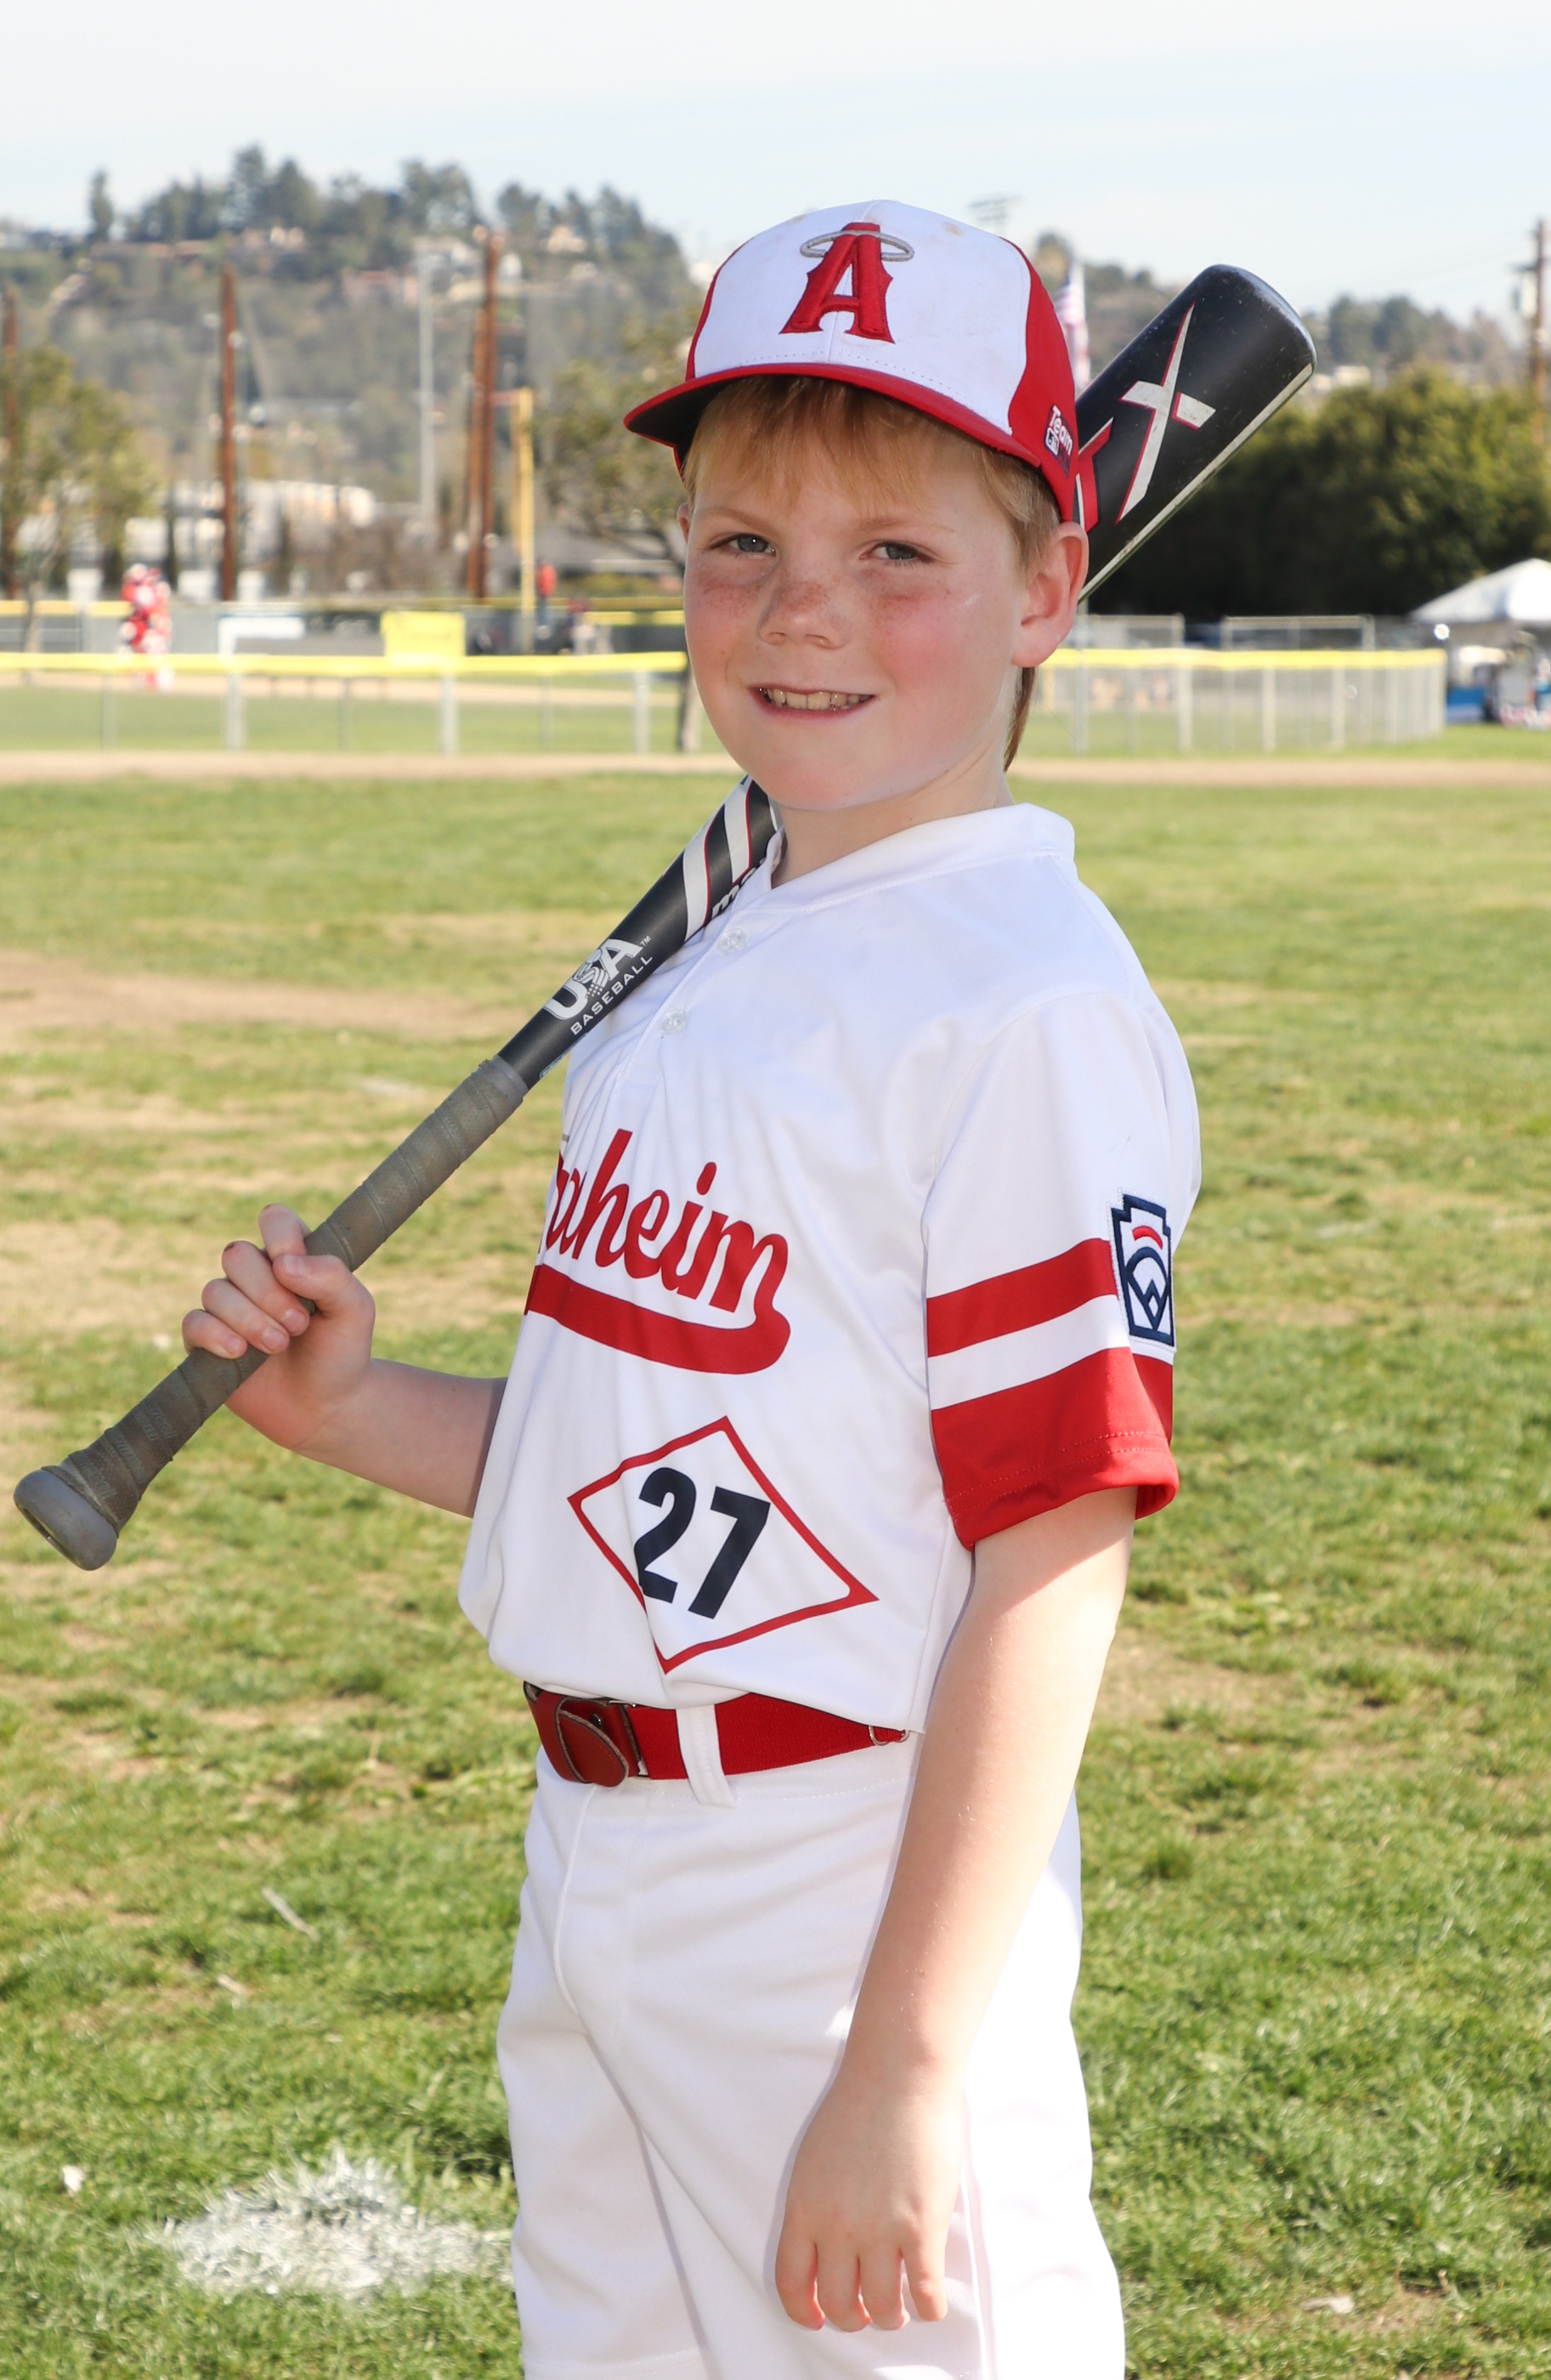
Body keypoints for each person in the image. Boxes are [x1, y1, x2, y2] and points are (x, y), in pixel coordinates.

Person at [182, 199, 1199, 2378]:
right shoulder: (714, 968)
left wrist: (908, 2058)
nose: (801, 610)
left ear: (1046, 589)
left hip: (846, 1891)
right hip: (604, 1853)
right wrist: (357, 1407)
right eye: (741, 545)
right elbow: (657, 1469)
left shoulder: (1020, 1002)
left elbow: (1054, 1545)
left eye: (894, 553)